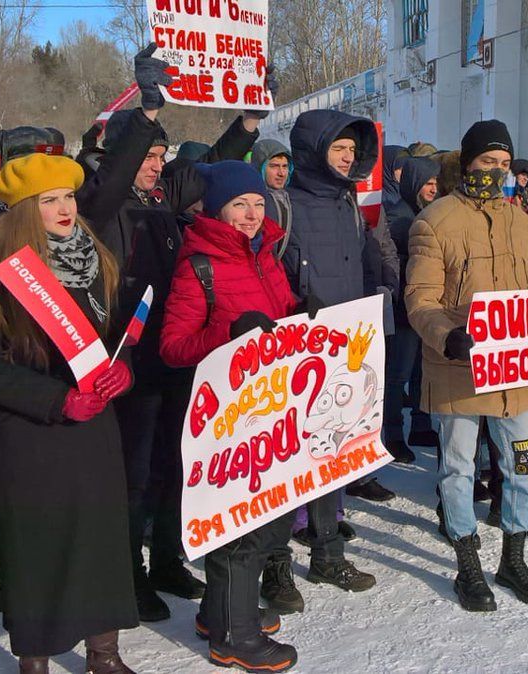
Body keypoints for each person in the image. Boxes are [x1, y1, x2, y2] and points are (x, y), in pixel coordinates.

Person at [78, 44, 261, 623]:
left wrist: (248, 121)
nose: (155, 163)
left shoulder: (162, 198)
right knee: (133, 471)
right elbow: (113, 176)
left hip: (176, 352)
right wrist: (146, 113)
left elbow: (214, 167)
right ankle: (127, 573)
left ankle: (165, 561)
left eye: (160, 155)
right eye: (146, 154)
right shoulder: (102, 203)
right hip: (128, 356)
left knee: (171, 464)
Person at [0, 153, 138, 672]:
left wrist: (124, 370)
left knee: (101, 540)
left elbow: (119, 340)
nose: (63, 208)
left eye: (68, 197)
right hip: (27, 435)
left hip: (94, 431)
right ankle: (34, 659)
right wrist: (57, 400)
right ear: (21, 210)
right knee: (36, 551)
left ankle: (105, 653)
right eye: (48, 200)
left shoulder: (97, 260)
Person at [159, 160, 301, 673]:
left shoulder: (267, 253)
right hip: (225, 417)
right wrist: (231, 335)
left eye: (258, 203)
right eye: (240, 204)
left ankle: (216, 611)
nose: (251, 213)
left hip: (269, 406)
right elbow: (173, 347)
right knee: (246, 524)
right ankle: (234, 638)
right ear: (218, 209)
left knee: (269, 514)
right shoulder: (199, 263)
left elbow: (279, 318)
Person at [406, 119, 528, 612]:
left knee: (524, 464)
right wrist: (449, 336)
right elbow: (420, 300)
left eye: (505, 164)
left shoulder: (520, 220)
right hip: (458, 367)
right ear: (467, 163)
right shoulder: (436, 220)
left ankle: (514, 556)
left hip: (516, 366)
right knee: (458, 468)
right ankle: (467, 562)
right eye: (488, 162)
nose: (497, 171)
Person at [263, 108, 387, 602]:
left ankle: (328, 555)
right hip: (294, 351)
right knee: (285, 460)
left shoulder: (349, 205)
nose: (347, 158)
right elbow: (264, 272)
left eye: (353, 151)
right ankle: (276, 565)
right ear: (315, 150)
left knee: (333, 452)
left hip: (346, 347)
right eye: (339, 149)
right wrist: (295, 305)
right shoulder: (280, 205)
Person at [382, 155, 440, 464]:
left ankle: (421, 424)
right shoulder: (398, 215)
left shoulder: (426, 211)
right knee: (398, 374)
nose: (433, 188)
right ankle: (393, 435)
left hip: (426, 306)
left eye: (436, 183)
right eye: (428, 183)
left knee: (423, 370)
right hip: (404, 305)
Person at [249, 138, 292, 232]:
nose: (281, 173)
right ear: (260, 168)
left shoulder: (291, 199)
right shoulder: (249, 200)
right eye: (274, 166)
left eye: (285, 166)